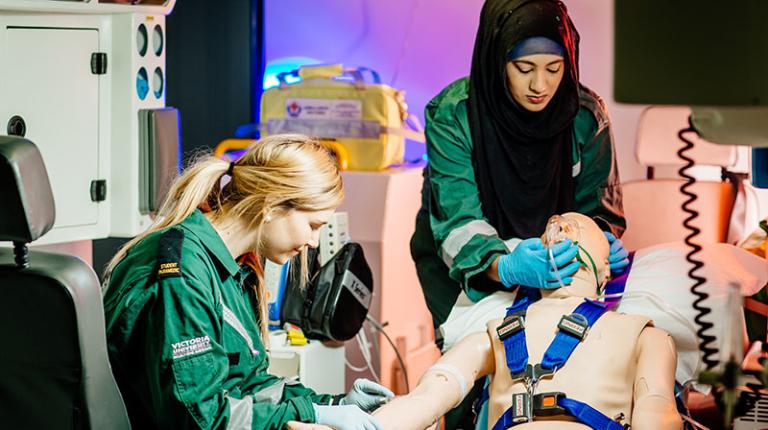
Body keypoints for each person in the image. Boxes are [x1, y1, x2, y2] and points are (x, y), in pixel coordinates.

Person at [102, 134, 393, 430]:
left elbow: (249, 383)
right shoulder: (183, 275)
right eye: (312, 225)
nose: (313, 241)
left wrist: (331, 404)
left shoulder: (235, 270)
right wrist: (314, 415)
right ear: (271, 205)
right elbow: (201, 419)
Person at [410, 0, 628, 332]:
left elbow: (599, 211)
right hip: (465, 277)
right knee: (480, 370)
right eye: (524, 68)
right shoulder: (453, 116)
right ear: (497, 61)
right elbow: (459, 223)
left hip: (558, 275)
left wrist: (601, 237)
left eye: (554, 69)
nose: (540, 86)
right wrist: (507, 266)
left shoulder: (586, 118)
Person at [378, 213, 682, 430]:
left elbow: (657, 414)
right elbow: (426, 400)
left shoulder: (642, 335)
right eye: (550, 228)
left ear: (605, 269)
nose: (558, 226)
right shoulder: (494, 333)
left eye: (576, 225)